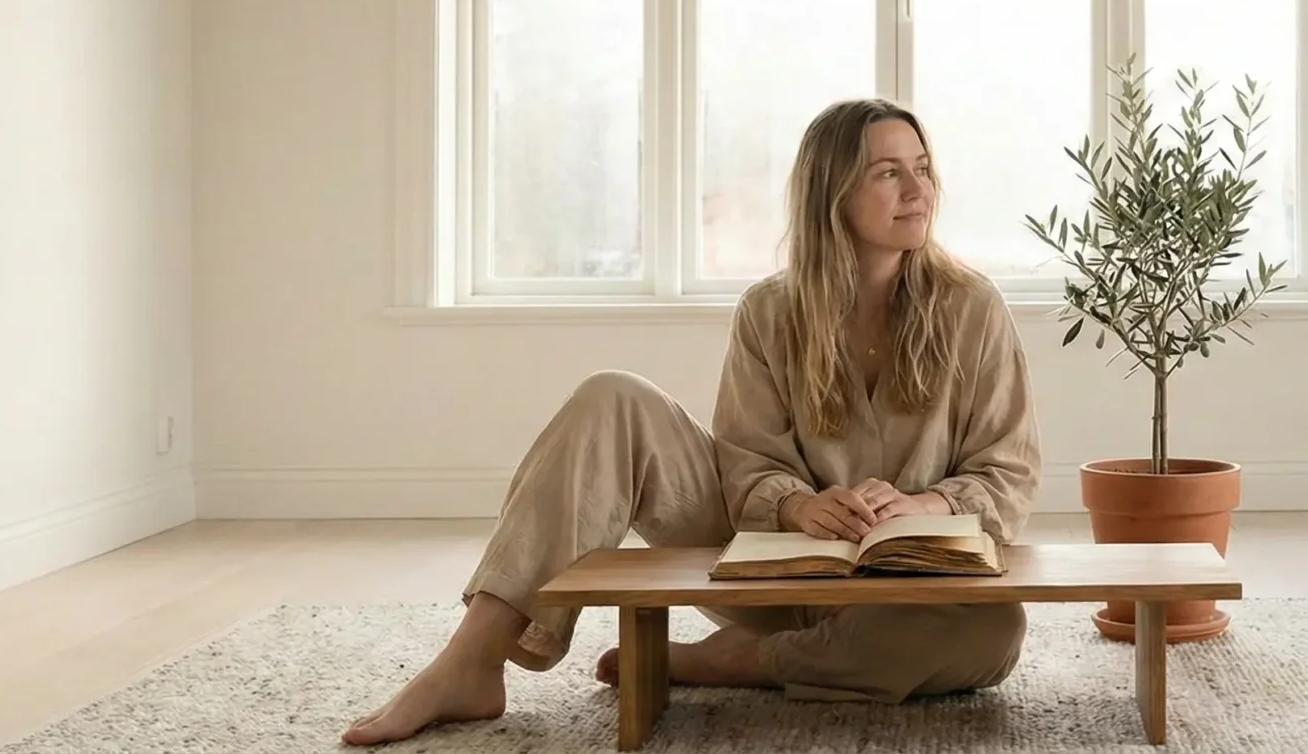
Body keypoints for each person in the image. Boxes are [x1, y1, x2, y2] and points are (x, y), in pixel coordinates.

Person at [342, 98, 1043, 747]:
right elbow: (745, 463)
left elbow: (1008, 474)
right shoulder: (769, 311)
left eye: (921, 169)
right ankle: (470, 663)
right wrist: (797, 503)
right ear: (832, 193)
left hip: (910, 588)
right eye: (889, 173)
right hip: (775, 568)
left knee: (994, 632)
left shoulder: (972, 308)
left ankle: (741, 662)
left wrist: (925, 504)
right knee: (611, 395)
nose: (919, 191)